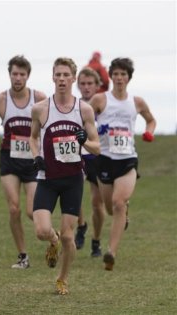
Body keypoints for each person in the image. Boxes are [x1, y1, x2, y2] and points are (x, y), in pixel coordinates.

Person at [29, 57, 100, 295]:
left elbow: (97, 147)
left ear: (73, 79)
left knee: (70, 236)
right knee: (41, 230)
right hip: (47, 178)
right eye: (57, 75)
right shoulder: (40, 108)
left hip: (72, 179)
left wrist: (84, 141)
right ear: (53, 77)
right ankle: (52, 240)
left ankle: (62, 278)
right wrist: (35, 155)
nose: (61, 79)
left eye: (65, 75)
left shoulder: (84, 109)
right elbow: (32, 137)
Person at [0, 55, 47, 269]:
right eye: (15, 73)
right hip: (9, 160)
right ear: (9, 74)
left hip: (33, 161)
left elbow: (49, 127)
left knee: (33, 211)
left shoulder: (39, 98)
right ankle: (23, 256)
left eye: (22, 74)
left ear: (28, 76)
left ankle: (54, 238)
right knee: (14, 209)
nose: (18, 78)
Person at [89, 57, 156, 271]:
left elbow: (151, 119)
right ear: (111, 76)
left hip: (127, 158)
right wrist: (93, 133)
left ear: (129, 78)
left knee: (119, 203)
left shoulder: (136, 102)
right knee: (110, 208)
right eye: (116, 74)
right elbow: (84, 118)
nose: (119, 78)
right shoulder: (100, 100)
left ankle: (111, 252)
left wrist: (149, 132)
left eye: (123, 74)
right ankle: (123, 213)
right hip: (105, 159)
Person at [75, 67, 106, 257]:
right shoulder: (73, 105)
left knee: (97, 204)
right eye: (83, 84)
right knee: (73, 195)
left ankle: (96, 240)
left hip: (97, 157)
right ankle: (81, 226)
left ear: (97, 86)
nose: (86, 88)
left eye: (90, 84)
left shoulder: (105, 106)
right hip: (77, 155)